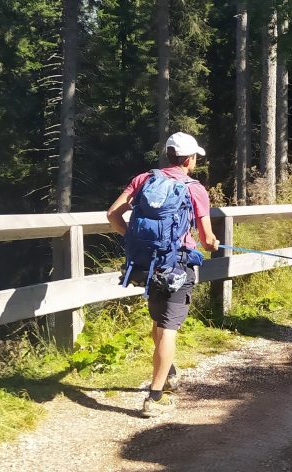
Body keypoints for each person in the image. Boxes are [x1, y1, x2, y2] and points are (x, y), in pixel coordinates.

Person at [106, 132, 219, 417]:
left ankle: (167, 372)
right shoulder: (194, 188)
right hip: (177, 265)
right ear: (190, 159)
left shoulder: (144, 180)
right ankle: (155, 397)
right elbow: (206, 239)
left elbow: (112, 215)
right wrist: (213, 244)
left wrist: (134, 238)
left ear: (168, 154)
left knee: (158, 321)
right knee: (168, 327)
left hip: (147, 264)